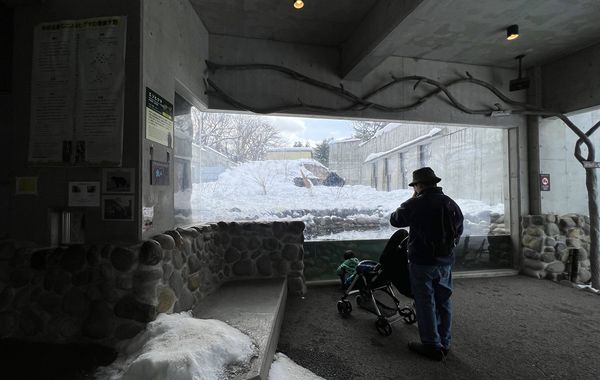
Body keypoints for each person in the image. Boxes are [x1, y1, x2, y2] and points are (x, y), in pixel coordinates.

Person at [390, 167, 463, 361]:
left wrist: (412, 199)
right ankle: (444, 343)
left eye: (415, 186)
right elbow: (459, 228)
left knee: (425, 303)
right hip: (445, 262)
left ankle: (431, 345)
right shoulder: (450, 203)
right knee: (444, 301)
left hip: (422, 263)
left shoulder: (415, 204)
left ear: (419, 185)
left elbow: (395, 220)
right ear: (435, 183)